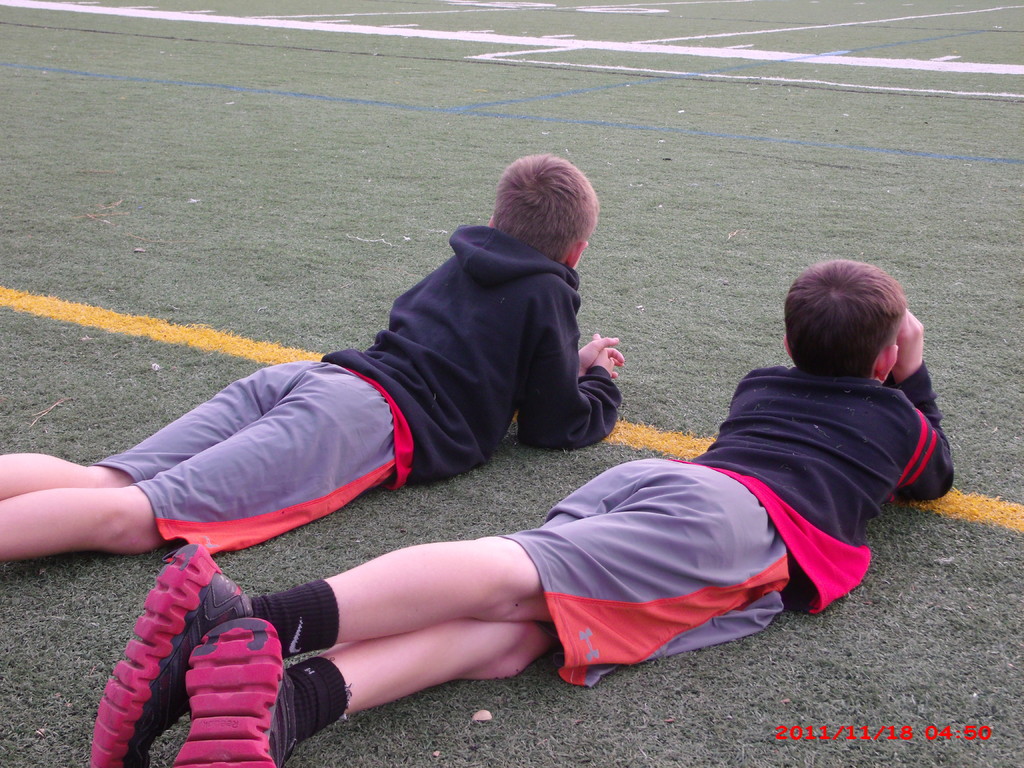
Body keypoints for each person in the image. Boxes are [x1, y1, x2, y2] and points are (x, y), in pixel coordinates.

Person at [91, 259, 953, 768]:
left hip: (666, 490)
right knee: (513, 572)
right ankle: (247, 620)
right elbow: (934, 476)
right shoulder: (897, 416)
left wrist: (887, 357)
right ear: (885, 360)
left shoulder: (762, 386)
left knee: (524, 628)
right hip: (731, 521)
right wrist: (910, 369)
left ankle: (285, 706)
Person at [0, 154, 624, 561]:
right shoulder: (547, 290)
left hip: (313, 377)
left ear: (494, 219)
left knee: (106, 480)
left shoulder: (464, 261)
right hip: (360, 417)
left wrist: (566, 360)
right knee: (139, 517)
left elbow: (483, 353)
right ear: (575, 252)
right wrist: (596, 382)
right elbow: (553, 427)